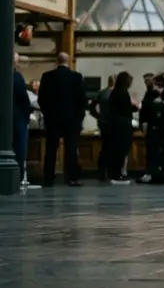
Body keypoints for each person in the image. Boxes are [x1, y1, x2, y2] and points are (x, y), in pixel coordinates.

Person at [39, 52, 86, 187]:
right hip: (71, 119)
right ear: (68, 61)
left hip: (53, 119)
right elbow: (82, 100)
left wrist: (47, 114)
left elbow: (42, 99)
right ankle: (72, 177)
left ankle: (48, 177)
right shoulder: (76, 77)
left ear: (57, 61)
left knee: (51, 148)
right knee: (71, 148)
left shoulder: (47, 76)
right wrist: (79, 117)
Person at [105, 72, 138, 183]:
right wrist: (134, 108)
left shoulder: (115, 92)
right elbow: (125, 109)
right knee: (121, 149)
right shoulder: (123, 92)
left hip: (116, 124)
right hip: (122, 125)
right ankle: (117, 173)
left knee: (117, 150)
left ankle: (115, 173)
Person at [89, 75, 115, 181]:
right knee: (113, 148)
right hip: (113, 123)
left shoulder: (101, 93)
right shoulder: (117, 93)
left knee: (105, 148)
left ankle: (102, 172)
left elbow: (91, 107)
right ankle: (112, 171)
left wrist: (98, 116)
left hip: (103, 122)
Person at [12, 53, 32, 185]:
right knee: (19, 148)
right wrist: (27, 115)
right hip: (18, 119)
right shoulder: (17, 77)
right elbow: (24, 100)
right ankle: (17, 177)